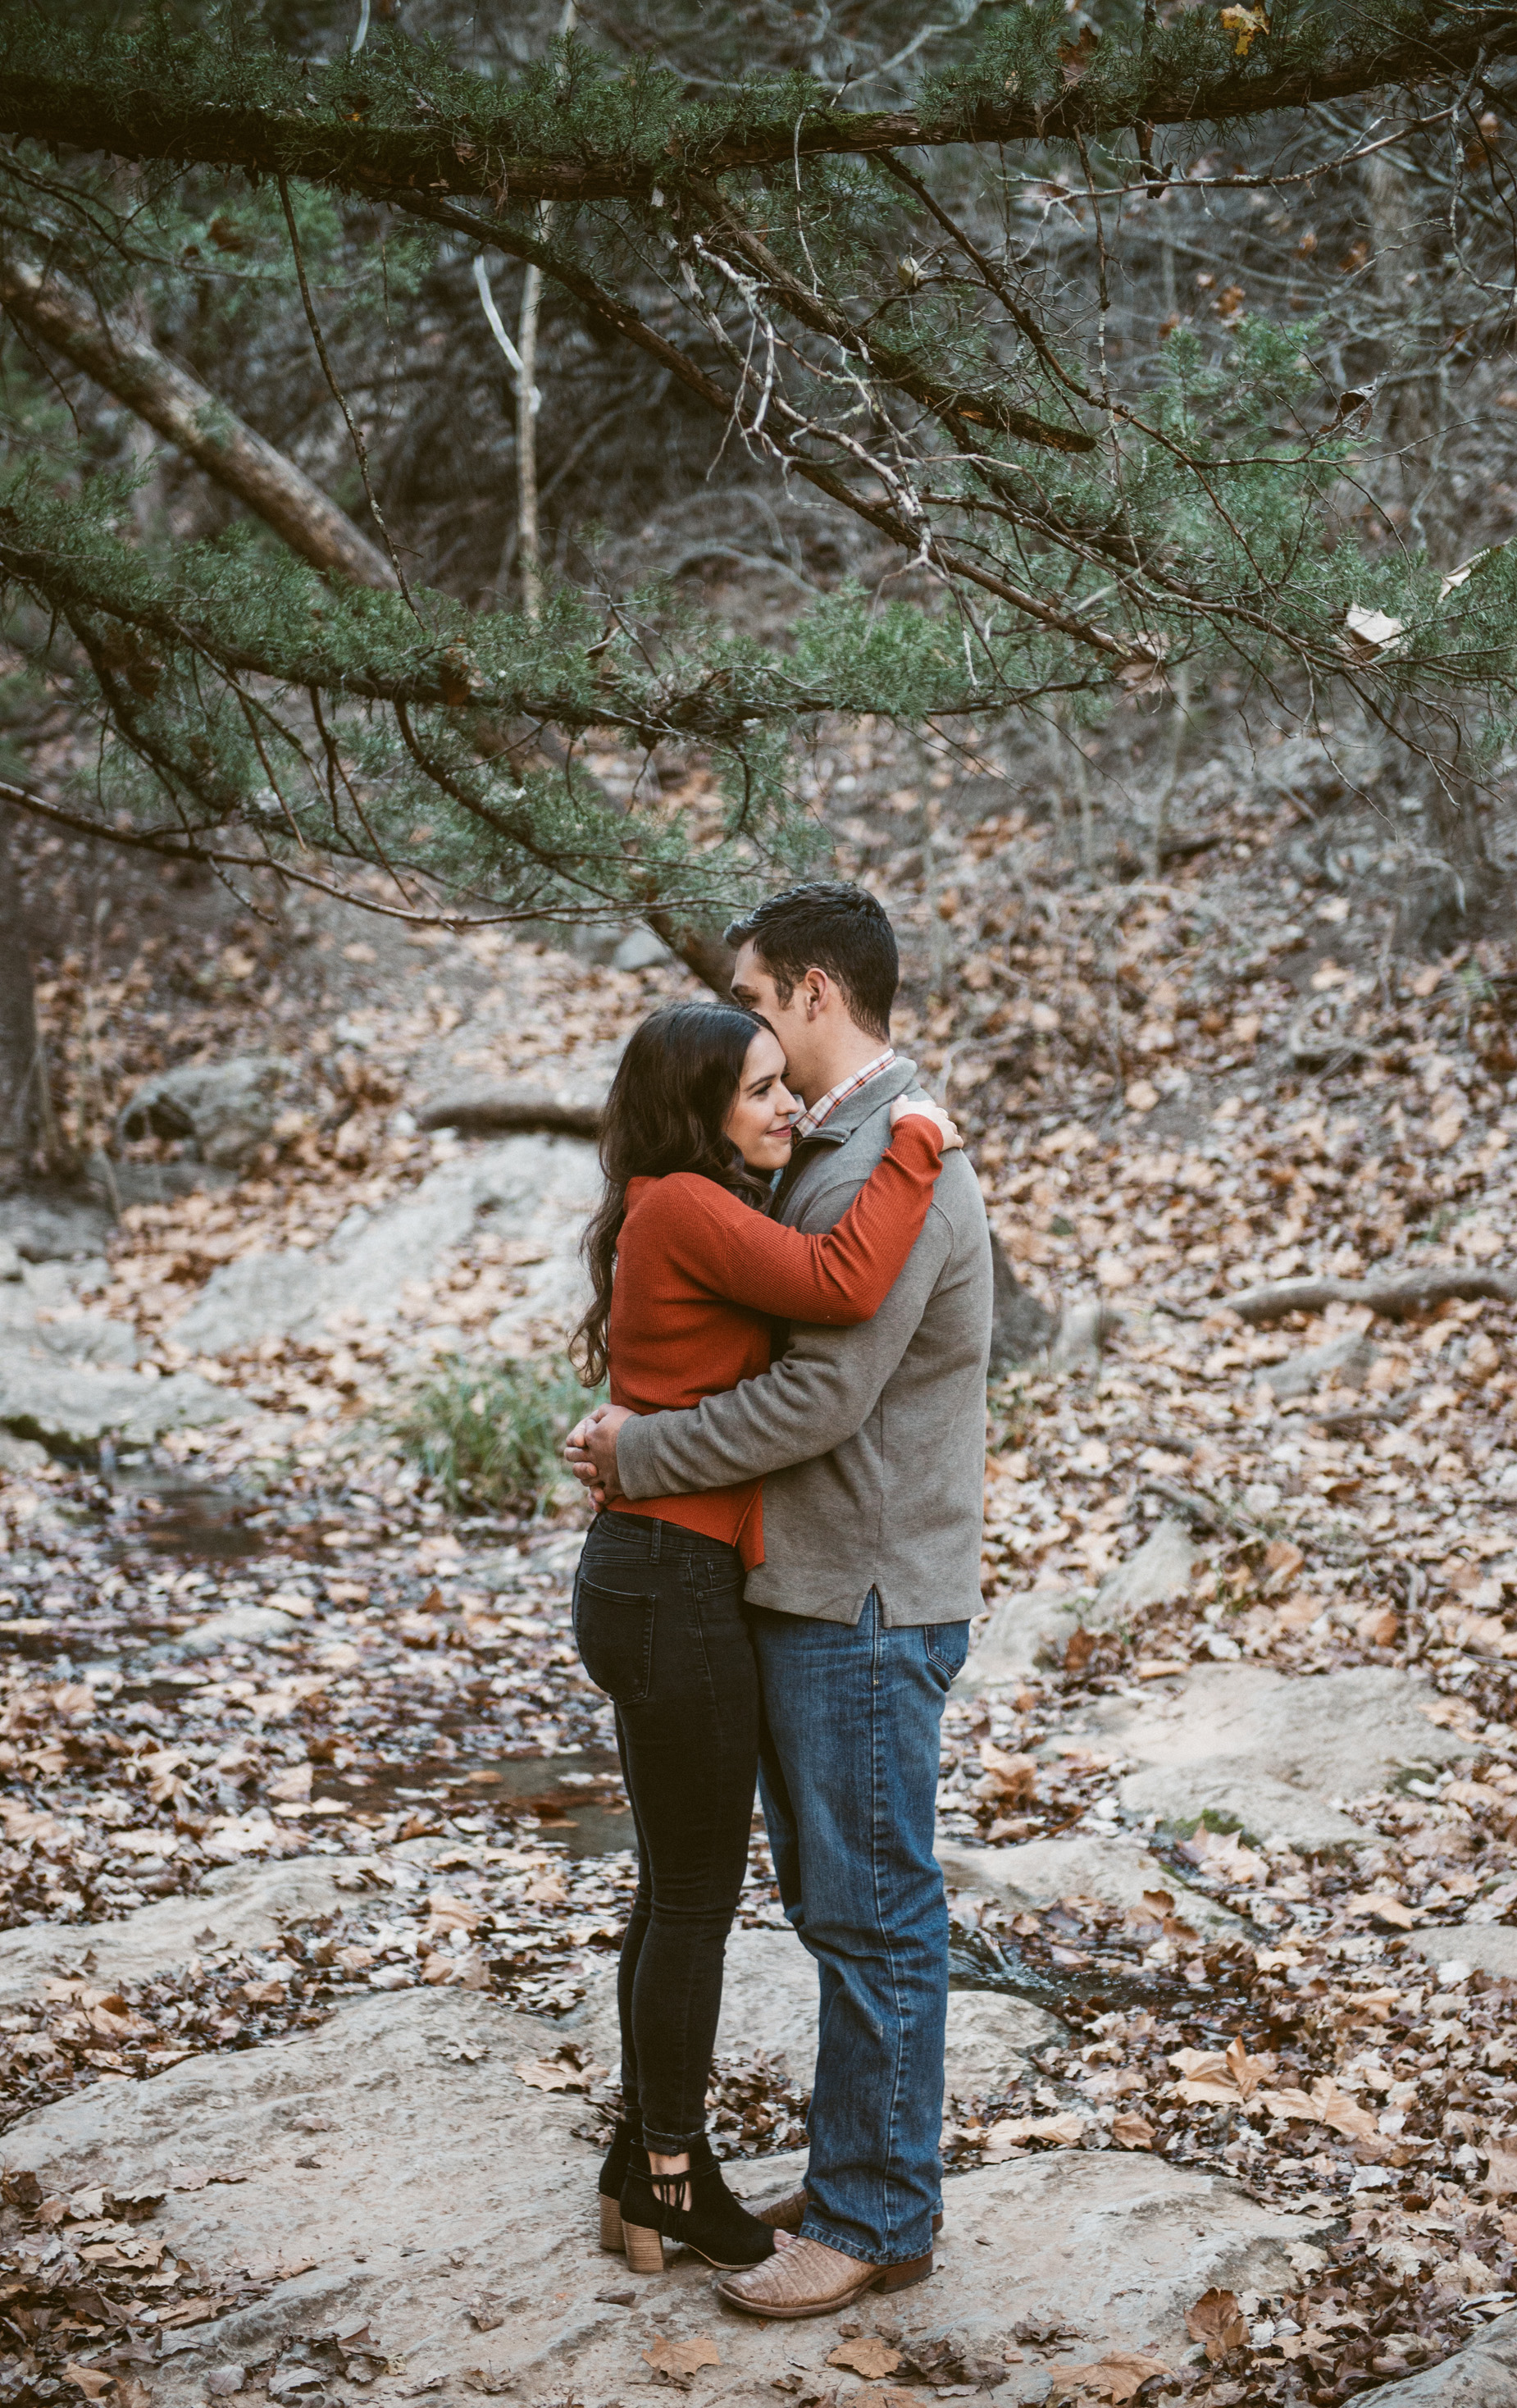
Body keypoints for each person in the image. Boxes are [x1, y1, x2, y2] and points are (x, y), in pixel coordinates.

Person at [567, 882, 991, 2321]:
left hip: (866, 1586)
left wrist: (638, 1449)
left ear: (815, 992)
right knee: (832, 1901)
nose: (747, 1023)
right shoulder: (825, 1147)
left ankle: (876, 2211)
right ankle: (855, 2165)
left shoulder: (904, 1151)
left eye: (755, 998)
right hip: (800, 1583)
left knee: (871, 1909)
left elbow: (824, 1387)